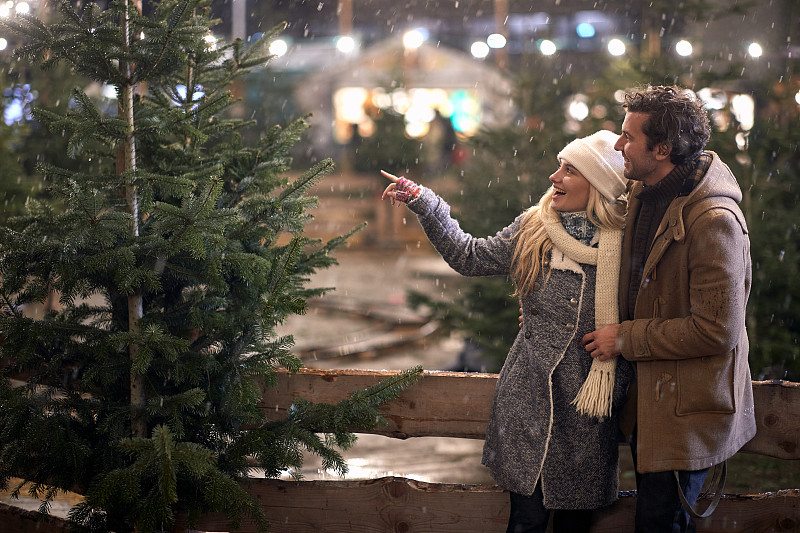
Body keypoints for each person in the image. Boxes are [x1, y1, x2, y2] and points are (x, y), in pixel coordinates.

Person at [381, 130, 635, 533]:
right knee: (525, 523)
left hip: (587, 413)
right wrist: (426, 205)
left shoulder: (629, 244)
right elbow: (468, 256)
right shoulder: (534, 228)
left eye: (570, 171)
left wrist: (625, 337)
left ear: (599, 185)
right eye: (558, 166)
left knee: (576, 525)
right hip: (526, 404)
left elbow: (652, 311)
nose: (554, 177)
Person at [581, 85, 756, 532]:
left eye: (627, 137)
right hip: (652, 398)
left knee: (660, 522)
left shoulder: (714, 221)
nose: (617, 144)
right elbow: (616, 276)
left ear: (662, 149)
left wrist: (625, 338)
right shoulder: (641, 192)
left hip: (687, 412)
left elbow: (717, 330)